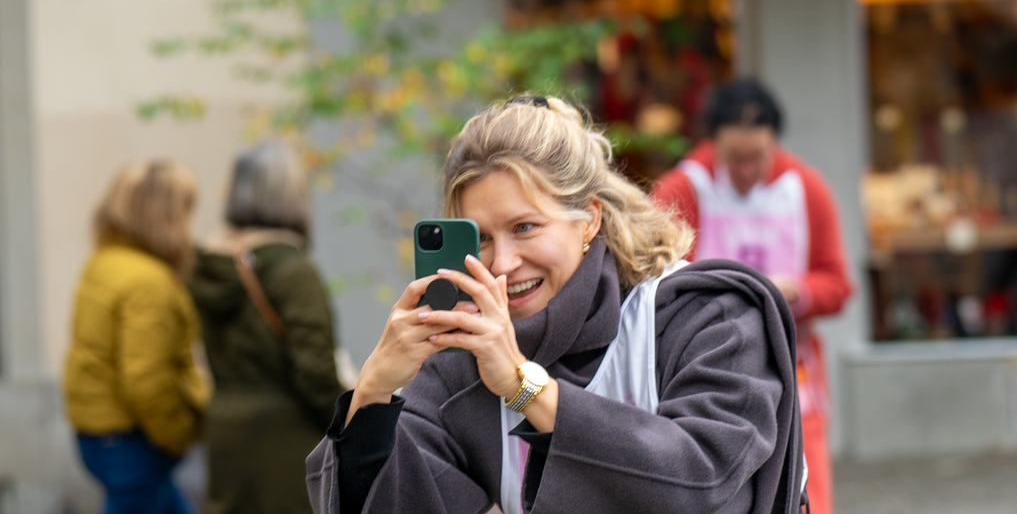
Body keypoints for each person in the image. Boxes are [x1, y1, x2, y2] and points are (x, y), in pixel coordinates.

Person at [306, 95, 807, 514]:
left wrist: (524, 387)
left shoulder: (708, 317)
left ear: (588, 220)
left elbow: (703, 481)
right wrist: (372, 393)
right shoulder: (463, 365)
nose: (502, 262)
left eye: (525, 227)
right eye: (479, 239)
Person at [650, 78, 852, 514]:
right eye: (734, 159)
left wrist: (794, 290)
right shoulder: (681, 190)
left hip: (794, 368)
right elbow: (649, 282)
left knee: (807, 490)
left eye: (758, 159)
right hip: (703, 369)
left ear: (775, 144)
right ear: (712, 143)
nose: (745, 172)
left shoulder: (806, 189)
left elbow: (838, 284)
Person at [189, 141, 346, 514]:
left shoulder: (209, 266)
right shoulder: (292, 271)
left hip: (226, 438)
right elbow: (316, 374)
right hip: (286, 447)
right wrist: (353, 421)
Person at [64, 160, 210, 514]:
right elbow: (146, 381)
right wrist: (179, 437)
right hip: (131, 442)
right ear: (165, 217)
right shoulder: (148, 282)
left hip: (98, 435)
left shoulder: (105, 261)